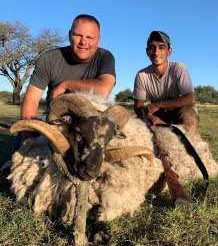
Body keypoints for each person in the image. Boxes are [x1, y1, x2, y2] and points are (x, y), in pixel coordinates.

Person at [0, 14, 116, 176]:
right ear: (69, 35)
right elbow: (31, 99)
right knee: (21, 142)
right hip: (57, 122)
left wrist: (66, 84)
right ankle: (15, 165)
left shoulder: (104, 57)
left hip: (89, 126)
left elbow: (104, 88)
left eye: (90, 37)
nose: (83, 42)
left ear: (98, 40)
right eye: (78, 35)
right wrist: (28, 139)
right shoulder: (49, 58)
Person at [133, 30, 199, 133]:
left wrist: (158, 105)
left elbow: (190, 99)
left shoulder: (179, 68)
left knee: (189, 113)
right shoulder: (141, 75)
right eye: (152, 47)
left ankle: (190, 140)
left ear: (169, 51)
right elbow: (138, 108)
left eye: (161, 47)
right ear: (147, 51)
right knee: (135, 124)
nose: (156, 52)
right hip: (156, 114)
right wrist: (154, 119)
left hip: (176, 111)